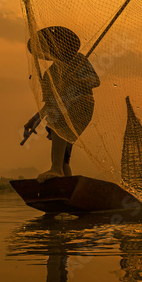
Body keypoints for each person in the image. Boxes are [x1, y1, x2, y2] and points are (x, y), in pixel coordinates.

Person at [23, 26, 100, 182]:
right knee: (64, 150)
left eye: (56, 42)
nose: (53, 47)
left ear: (66, 43)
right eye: (48, 45)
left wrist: (76, 79)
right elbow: (49, 103)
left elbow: (95, 81)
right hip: (60, 109)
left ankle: (56, 168)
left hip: (80, 105)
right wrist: (34, 120)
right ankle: (64, 178)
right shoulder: (50, 74)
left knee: (58, 128)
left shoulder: (77, 60)